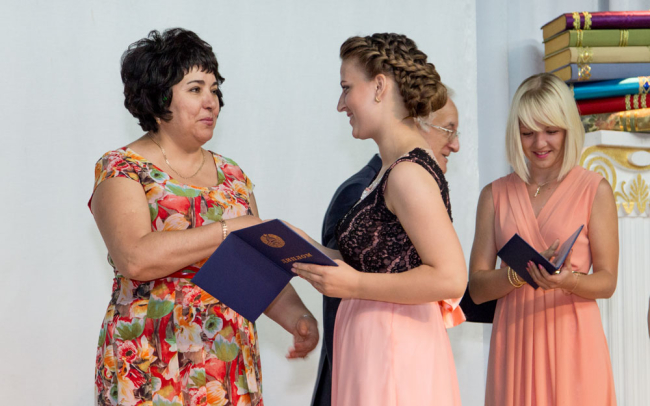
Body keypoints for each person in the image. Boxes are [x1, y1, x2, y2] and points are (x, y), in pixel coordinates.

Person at [89, 28, 318, 406]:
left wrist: (297, 318)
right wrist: (230, 229)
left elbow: (253, 269)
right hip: (149, 362)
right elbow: (135, 258)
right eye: (195, 89)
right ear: (159, 96)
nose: (211, 101)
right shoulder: (122, 167)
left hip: (226, 365)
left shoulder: (233, 175)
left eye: (214, 90)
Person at [292, 33, 467, 406]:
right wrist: (303, 246)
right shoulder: (390, 171)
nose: (341, 104)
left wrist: (354, 284)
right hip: (376, 347)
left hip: (394, 352)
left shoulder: (407, 174)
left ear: (379, 87)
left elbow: (451, 277)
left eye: (346, 88)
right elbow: (382, 262)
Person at [468, 73, 618, 406]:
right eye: (528, 133)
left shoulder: (595, 190)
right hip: (515, 343)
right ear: (515, 133)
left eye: (551, 130)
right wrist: (516, 274)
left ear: (568, 129)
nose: (539, 143)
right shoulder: (494, 195)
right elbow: (476, 288)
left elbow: (607, 282)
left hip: (574, 341)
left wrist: (569, 280)